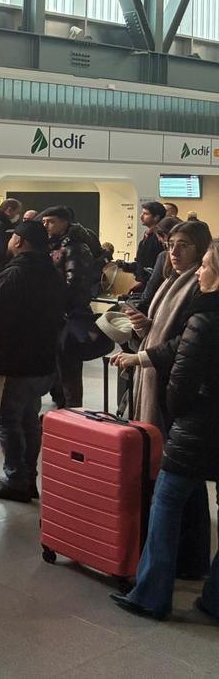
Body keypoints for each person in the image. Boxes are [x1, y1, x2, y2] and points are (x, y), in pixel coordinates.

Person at [110, 239, 219, 622]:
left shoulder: (204, 318)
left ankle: (152, 594)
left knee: (167, 503)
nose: (200, 272)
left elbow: (183, 380)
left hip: (198, 426)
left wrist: (178, 412)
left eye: (206, 265)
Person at [0, 220, 66, 502]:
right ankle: (28, 477)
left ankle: (15, 478)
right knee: (29, 418)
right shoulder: (51, 273)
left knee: (5, 420)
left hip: (13, 360)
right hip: (43, 360)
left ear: (19, 241)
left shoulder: (13, 274)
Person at [41, 206, 104, 409]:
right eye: (44, 221)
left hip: (69, 314)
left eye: (50, 221)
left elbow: (76, 285)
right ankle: (63, 404)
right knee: (59, 365)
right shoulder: (55, 244)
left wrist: (56, 301)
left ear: (64, 222)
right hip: (57, 313)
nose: (46, 225)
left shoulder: (76, 248)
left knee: (69, 367)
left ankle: (72, 409)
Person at [122, 201, 168, 290]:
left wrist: (144, 283)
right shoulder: (147, 236)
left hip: (151, 286)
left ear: (156, 217)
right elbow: (142, 263)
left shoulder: (158, 239)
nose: (141, 216)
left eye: (146, 214)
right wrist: (126, 266)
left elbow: (154, 267)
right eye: (142, 213)